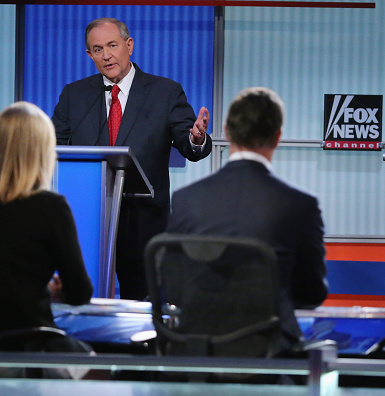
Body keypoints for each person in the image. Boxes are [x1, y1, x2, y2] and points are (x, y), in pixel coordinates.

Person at [52, 18, 212, 300]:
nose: (106, 55)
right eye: (97, 49)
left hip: (143, 220)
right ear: (89, 55)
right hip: (88, 217)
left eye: (112, 45)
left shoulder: (165, 92)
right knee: (81, 298)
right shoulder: (74, 95)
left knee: (140, 303)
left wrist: (196, 138)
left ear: (129, 45)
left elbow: (189, 145)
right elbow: (53, 147)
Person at [167, 87, 328, 350]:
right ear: (277, 137)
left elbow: (173, 288)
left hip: (198, 350)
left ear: (227, 131)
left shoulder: (186, 200)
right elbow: (311, 293)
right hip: (271, 352)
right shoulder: (300, 205)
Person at [0, 102, 93, 353]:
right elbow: (79, 293)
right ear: (42, 152)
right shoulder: (51, 208)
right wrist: (55, 291)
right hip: (30, 347)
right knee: (103, 372)